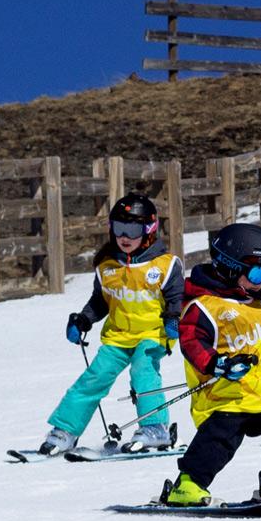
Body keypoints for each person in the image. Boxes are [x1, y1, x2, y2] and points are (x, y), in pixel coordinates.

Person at [160, 222, 261, 506]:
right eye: (257, 272)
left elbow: (255, 337)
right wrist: (216, 364)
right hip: (226, 395)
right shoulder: (203, 306)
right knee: (220, 440)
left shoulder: (252, 300)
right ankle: (188, 486)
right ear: (229, 267)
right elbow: (191, 342)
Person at [35, 194, 184, 455]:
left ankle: (155, 428)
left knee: (143, 372)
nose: (124, 236)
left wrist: (173, 319)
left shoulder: (165, 265)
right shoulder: (107, 266)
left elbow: (176, 298)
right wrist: (83, 320)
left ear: (149, 231)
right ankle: (65, 431)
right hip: (117, 336)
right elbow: (100, 302)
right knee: (94, 378)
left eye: (133, 230)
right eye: (119, 229)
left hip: (153, 334)